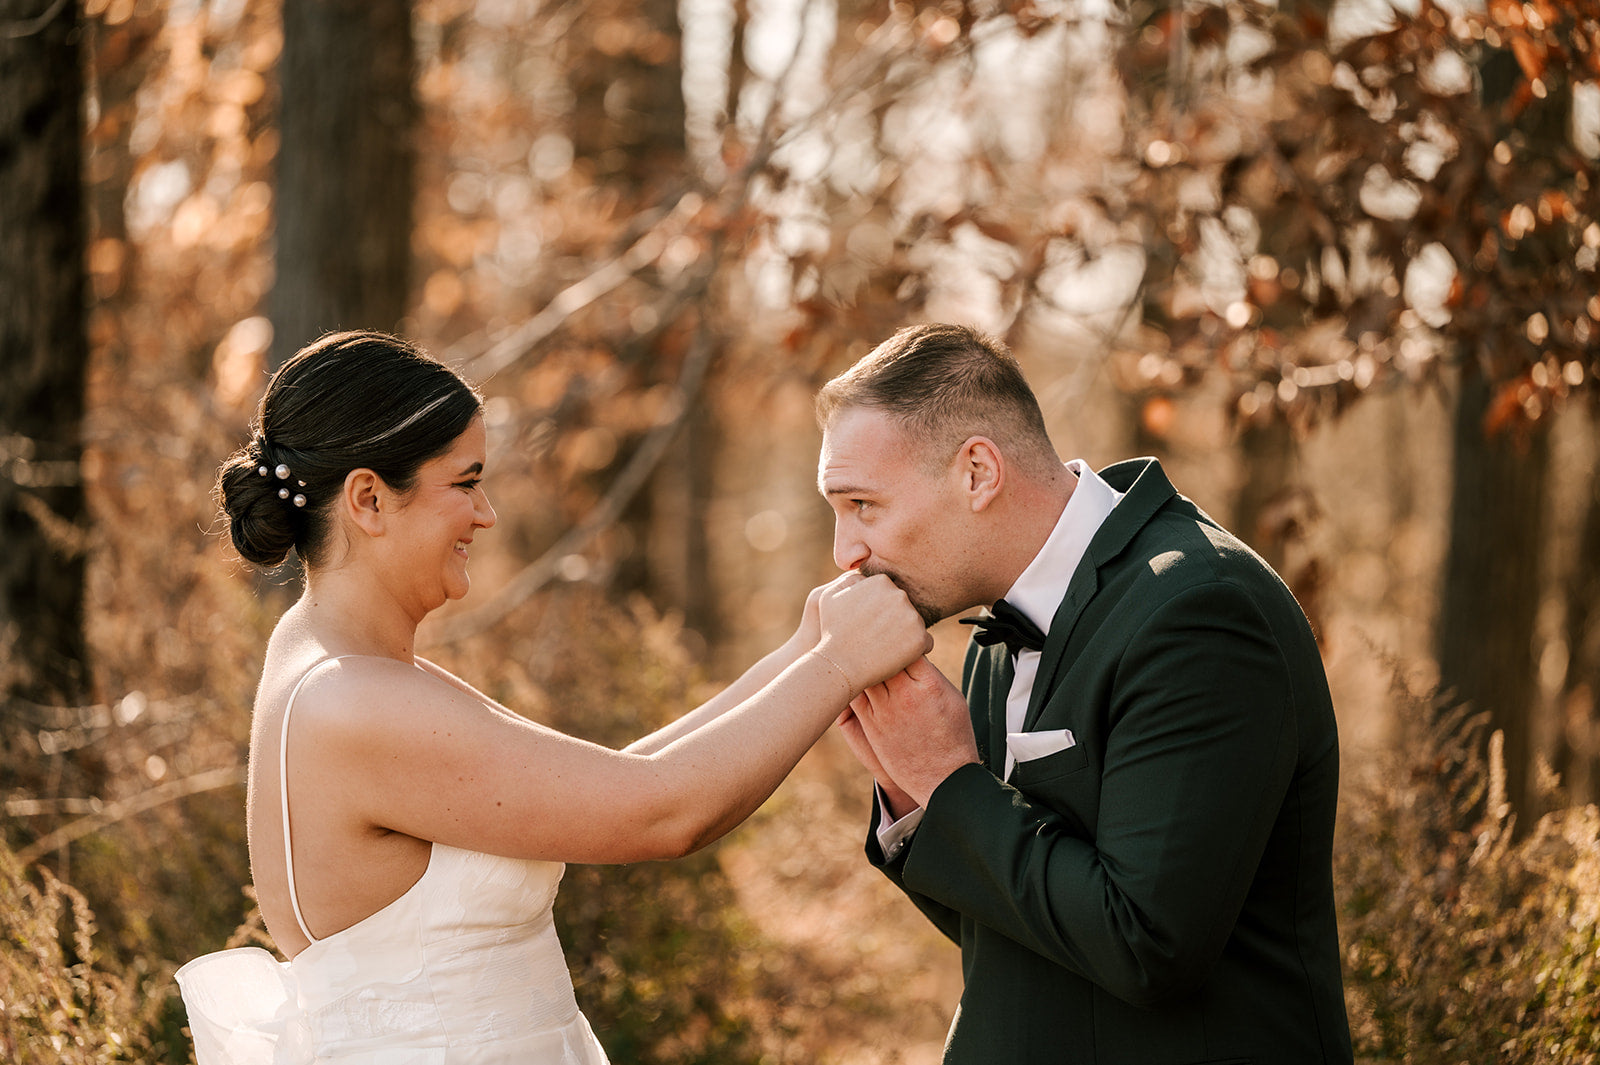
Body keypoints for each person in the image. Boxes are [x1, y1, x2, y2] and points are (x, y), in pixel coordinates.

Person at [176, 330, 929, 1065]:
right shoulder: (355, 700)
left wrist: (807, 648)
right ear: (370, 499)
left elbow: (621, 774)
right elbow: (662, 811)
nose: (486, 513)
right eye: (465, 482)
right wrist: (838, 668)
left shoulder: (339, 665)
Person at [816, 323, 1353, 1064]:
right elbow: (1020, 927)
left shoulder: (1200, 610)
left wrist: (950, 781)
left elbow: (1147, 945)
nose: (845, 552)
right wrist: (912, 795)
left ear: (977, 472)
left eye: (862, 506)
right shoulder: (992, 637)